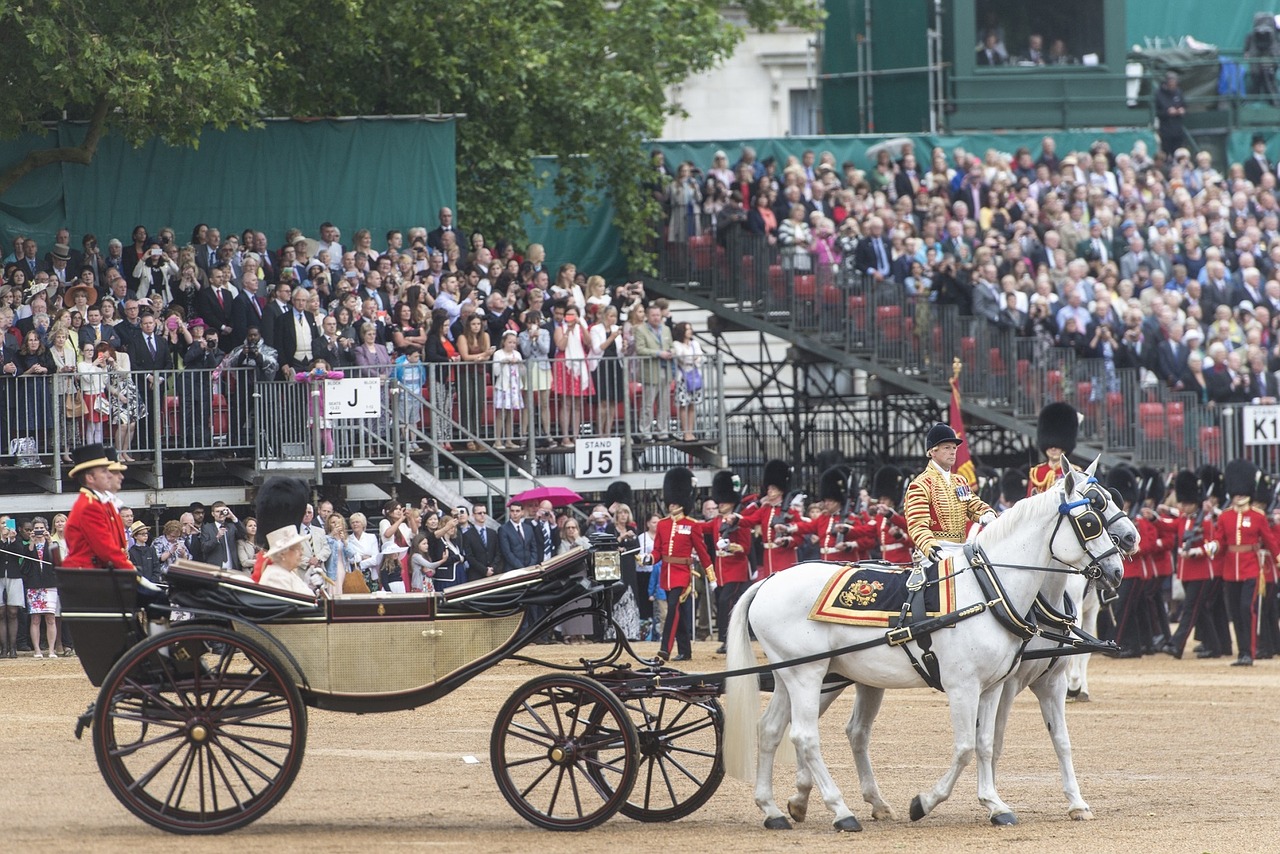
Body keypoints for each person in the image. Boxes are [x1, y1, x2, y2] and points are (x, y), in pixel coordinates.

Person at [903, 422, 996, 568]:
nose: (953, 452)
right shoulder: (920, 484)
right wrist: (933, 549)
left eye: (954, 448)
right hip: (935, 552)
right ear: (932, 452)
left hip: (962, 549)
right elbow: (917, 525)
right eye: (947, 448)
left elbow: (973, 505)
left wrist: (987, 514)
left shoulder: (959, 481)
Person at [1216, 460, 1280, 666]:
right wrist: (1211, 547)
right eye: (1236, 492)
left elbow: (1270, 541)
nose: (1239, 495)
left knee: (1247, 609)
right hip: (1230, 571)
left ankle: (1248, 652)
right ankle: (1242, 651)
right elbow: (1221, 541)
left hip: (1251, 569)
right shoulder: (1225, 517)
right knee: (1235, 612)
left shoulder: (1257, 516)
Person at [650, 467, 712, 662]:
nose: (671, 505)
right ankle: (685, 651)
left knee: (672, 609)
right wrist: (648, 559)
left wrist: (711, 576)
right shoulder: (662, 524)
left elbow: (702, 551)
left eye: (675, 501)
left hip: (683, 574)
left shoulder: (692, 524)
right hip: (667, 574)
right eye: (671, 501)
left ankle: (664, 649)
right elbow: (658, 551)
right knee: (679, 614)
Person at [1164, 470, 1222, 659]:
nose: (1183, 506)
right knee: (1201, 611)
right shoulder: (1185, 519)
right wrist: (1155, 519)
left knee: (1189, 609)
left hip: (1201, 572)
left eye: (1187, 503)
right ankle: (1214, 647)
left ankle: (1176, 644)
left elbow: (1213, 545)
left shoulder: (1204, 521)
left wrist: (1196, 552)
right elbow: (1170, 526)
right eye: (1183, 503)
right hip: (1187, 572)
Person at [61, 443, 133, 572]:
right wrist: (134, 574)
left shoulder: (98, 502)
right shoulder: (89, 506)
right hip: (89, 578)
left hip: (97, 575)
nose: (110, 475)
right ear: (90, 478)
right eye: (105, 471)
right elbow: (106, 550)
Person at [707, 471, 751, 654]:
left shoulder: (739, 522)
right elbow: (701, 527)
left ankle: (730, 639)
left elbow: (745, 548)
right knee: (723, 603)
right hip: (722, 572)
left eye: (723, 501)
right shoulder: (717, 521)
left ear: (732, 502)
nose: (720, 504)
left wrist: (730, 546)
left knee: (728, 602)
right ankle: (726, 640)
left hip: (736, 570)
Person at [737, 459, 799, 578]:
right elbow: (748, 520)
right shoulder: (765, 510)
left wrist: (787, 541)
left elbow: (799, 537)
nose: (769, 491)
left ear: (781, 491)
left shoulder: (791, 511)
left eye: (773, 489)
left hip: (785, 557)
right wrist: (736, 519)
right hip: (768, 557)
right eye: (769, 489)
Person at [632, 303, 674, 442]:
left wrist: (672, 351)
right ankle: (645, 432)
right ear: (647, 316)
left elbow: (671, 345)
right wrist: (658, 353)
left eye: (658, 315)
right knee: (648, 404)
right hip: (650, 371)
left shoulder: (666, 329)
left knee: (664, 403)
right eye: (653, 315)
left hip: (665, 369)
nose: (656, 318)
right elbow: (640, 349)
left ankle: (662, 431)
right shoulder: (641, 330)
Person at [1027, 402, 1078, 496]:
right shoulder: (1036, 472)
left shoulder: (1074, 472)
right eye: (1050, 445)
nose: (1053, 448)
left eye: (1057, 445)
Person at [869, 466, 912, 563]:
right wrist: (847, 530)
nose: (881, 502)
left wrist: (900, 537)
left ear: (892, 500)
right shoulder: (879, 517)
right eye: (880, 499)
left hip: (903, 561)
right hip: (886, 560)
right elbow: (868, 531)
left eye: (885, 499)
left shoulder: (902, 514)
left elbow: (912, 541)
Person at [671, 321, 704, 442]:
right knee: (683, 405)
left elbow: (700, 357)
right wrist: (693, 357)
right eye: (687, 329)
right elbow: (682, 358)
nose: (690, 331)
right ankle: (685, 432)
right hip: (683, 378)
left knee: (692, 405)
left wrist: (693, 358)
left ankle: (691, 431)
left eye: (690, 328)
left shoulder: (694, 343)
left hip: (695, 375)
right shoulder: (676, 344)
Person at [0, 516, 24, 658]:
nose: (5, 526)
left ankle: (13, 647)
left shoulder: (17, 540)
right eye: (3, 523)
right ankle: (3, 648)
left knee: (13, 612)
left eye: (7, 523)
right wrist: (2, 540)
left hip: (14, 577)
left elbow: (20, 554)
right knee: (1, 612)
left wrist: (12, 539)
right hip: (0, 576)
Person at [459, 503, 501, 578]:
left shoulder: (492, 533)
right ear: (473, 515)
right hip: (476, 574)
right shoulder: (467, 535)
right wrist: (484, 570)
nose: (482, 515)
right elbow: (470, 557)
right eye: (479, 513)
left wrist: (493, 567)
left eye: (484, 513)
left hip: (493, 573)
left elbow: (498, 552)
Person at [1155, 71, 1188, 157]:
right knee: (1166, 152)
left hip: (1178, 129)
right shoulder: (1159, 94)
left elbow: (1184, 105)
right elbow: (1156, 112)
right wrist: (1167, 112)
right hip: (1165, 130)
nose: (1173, 84)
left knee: (1178, 151)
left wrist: (1182, 110)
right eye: (1171, 82)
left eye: (1174, 82)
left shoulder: (1179, 92)